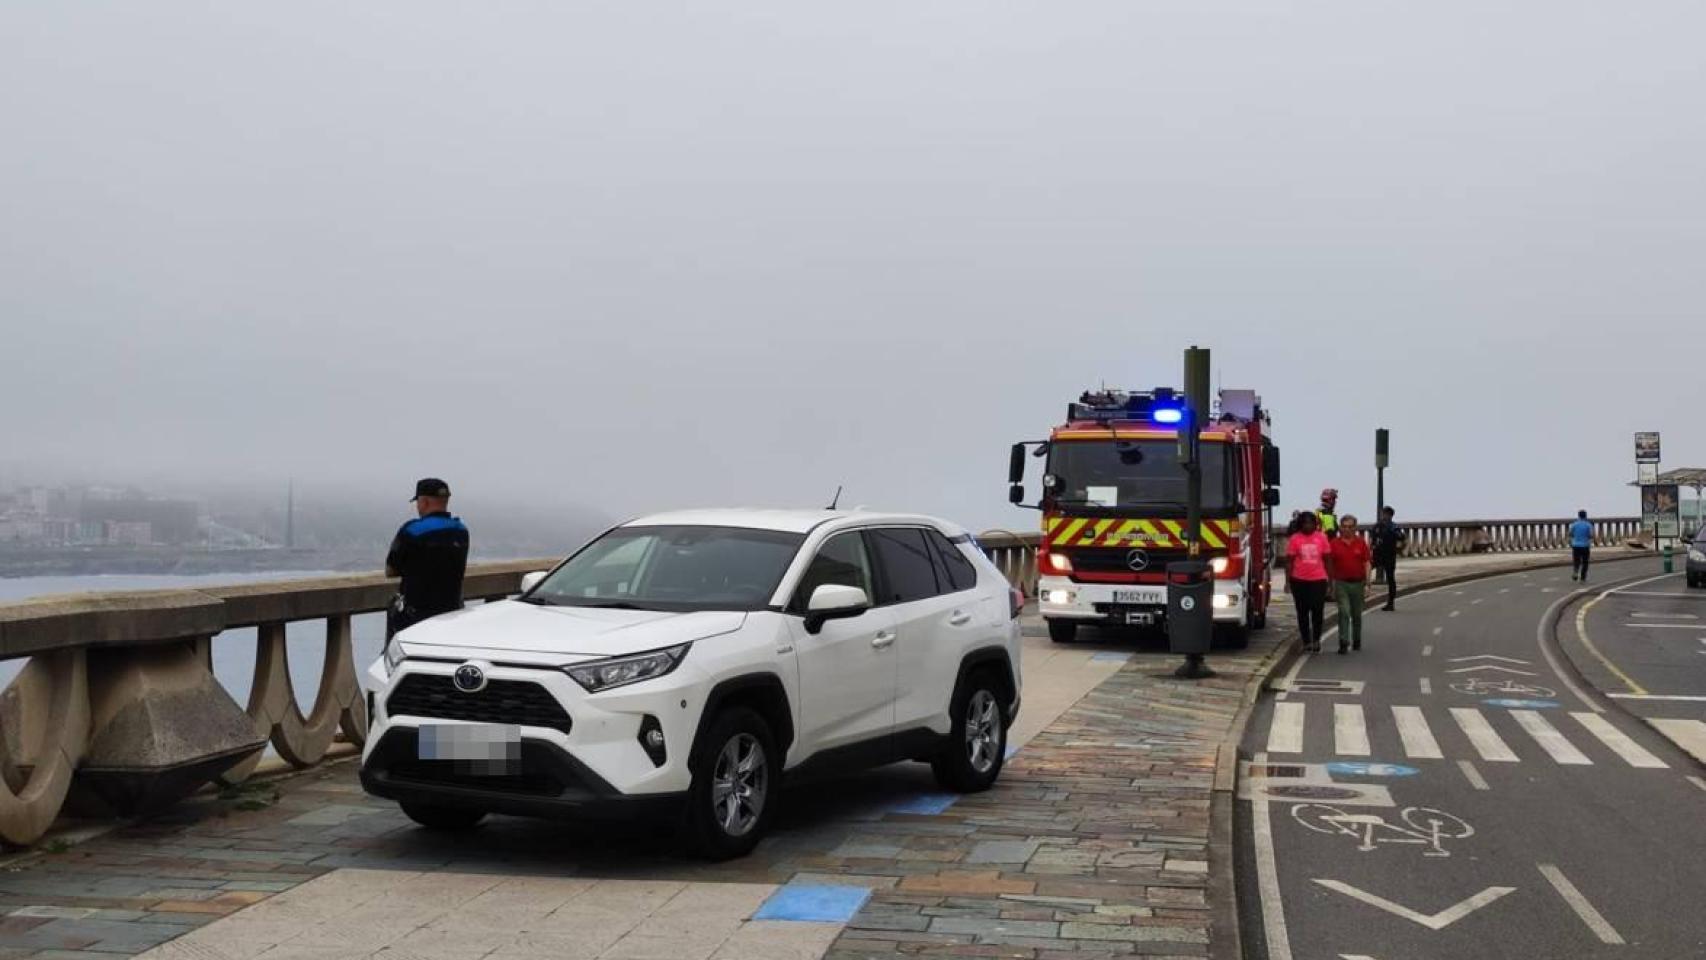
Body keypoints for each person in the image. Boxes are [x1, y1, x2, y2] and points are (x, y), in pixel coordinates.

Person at [385, 478, 470, 638]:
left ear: (424, 501)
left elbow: (390, 570)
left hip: (416, 615)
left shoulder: (412, 530)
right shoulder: (461, 531)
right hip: (451, 612)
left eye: (417, 502)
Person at [1287, 512, 1332, 653]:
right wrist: (1287, 582)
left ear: (1315, 524)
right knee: (1302, 612)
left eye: (1311, 523)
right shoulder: (1295, 539)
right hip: (1299, 580)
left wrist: (1330, 580)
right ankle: (1306, 641)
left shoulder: (1321, 537)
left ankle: (1316, 639)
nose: (1308, 526)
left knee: (1317, 610)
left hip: (1318, 580)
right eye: (1305, 523)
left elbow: (1327, 559)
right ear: (1301, 524)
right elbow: (1289, 562)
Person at [1329, 515, 1372, 653]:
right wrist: (1330, 584)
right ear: (1340, 528)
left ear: (1355, 528)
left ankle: (1356, 639)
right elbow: (1329, 565)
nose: (1347, 529)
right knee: (1344, 611)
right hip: (1341, 583)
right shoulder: (1334, 543)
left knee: (1357, 614)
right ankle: (1343, 641)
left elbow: (1367, 563)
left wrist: (1368, 583)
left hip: (1358, 583)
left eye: (1350, 527)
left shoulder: (1361, 543)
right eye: (1344, 526)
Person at [1369, 506, 1406, 611]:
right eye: (1383, 514)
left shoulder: (1393, 527)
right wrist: (1371, 548)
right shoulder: (1377, 526)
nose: (1384, 516)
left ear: (1390, 515)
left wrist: (1399, 549)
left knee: (1390, 578)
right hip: (1377, 554)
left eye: (1386, 514)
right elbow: (1372, 538)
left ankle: (1391, 603)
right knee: (1365, 572)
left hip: (1389, 555)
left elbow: (1402, 538)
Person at [1570, 510, 1594, 582]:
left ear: (1579, 516)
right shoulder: (1588, 525)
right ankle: (1583, 577)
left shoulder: (1574, 524)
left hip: (1576, 545)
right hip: (1585, 545)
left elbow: (1570, 534)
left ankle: (1575, 572)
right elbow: (1591, 535)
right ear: (1586, 516)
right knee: (1585, 562)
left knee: (1576, 561)